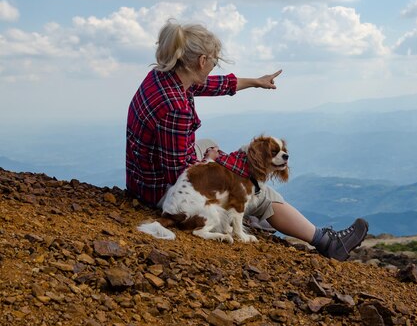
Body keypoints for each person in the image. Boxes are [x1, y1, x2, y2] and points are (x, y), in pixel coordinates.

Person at [126, 19, 368, 261]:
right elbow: (177, 172)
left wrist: (256, 82)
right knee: (255, 188)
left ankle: (238, 214)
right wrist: (210, 162)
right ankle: (325, 241)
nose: (213, 67)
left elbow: (213, 85)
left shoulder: (164, 77)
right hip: (160, 190)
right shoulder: (175, 106)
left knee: (212, 145)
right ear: (202, 61)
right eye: (214, 61)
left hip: (142, 178)